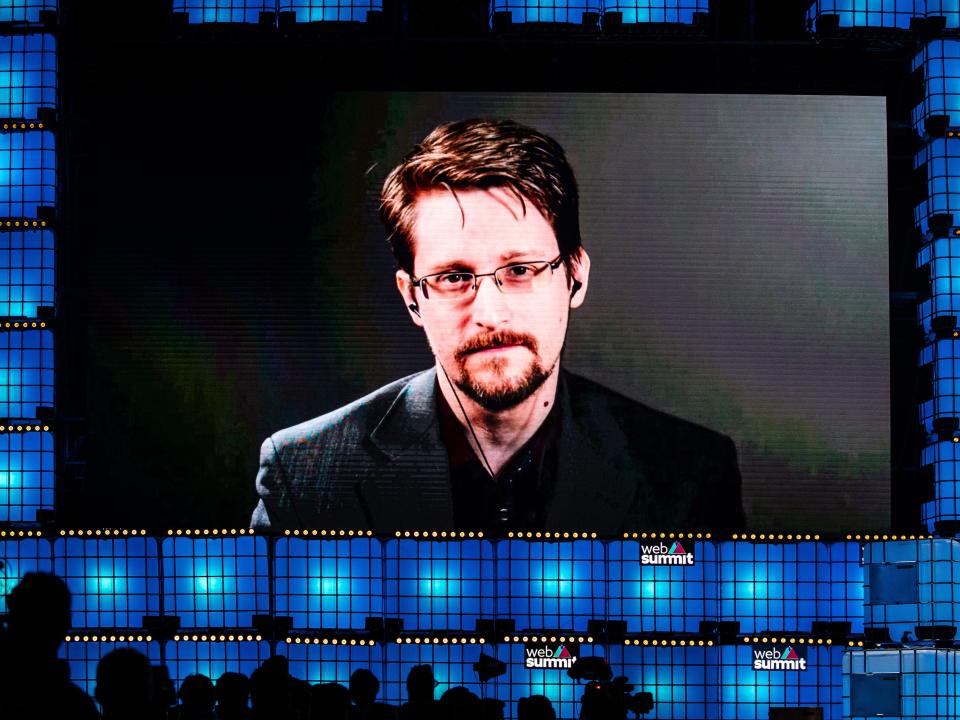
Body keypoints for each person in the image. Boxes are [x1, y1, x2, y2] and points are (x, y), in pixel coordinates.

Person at [251, 118, 746, 535]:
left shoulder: (690, 472)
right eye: (453, 277)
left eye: (521, 270)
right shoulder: (305, 472)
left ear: (575, 276)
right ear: (412, 298)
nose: (489, 312)